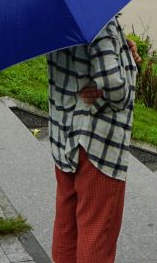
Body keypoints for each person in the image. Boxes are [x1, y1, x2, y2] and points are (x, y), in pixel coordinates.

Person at [47, 17, 140, 263]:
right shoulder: (98, 19)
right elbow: (115, 88)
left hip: (63, 135)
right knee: (97, 232)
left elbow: (82, 66)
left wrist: (123, 53)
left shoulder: (57, 19)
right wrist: (127, 75)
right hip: (97, 143)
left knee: (67, 225)